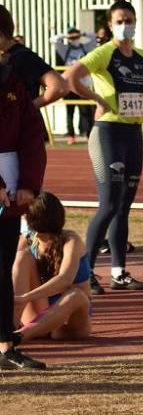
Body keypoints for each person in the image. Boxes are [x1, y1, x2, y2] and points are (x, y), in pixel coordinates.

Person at [65, 0, 143, 295]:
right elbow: (71, 77)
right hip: (108, 133)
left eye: (129, 19)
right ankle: (86, 273)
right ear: (109, 25)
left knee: (124, 207)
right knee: (107, 205)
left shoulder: (142, 56)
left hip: (133, 133)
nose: (125, 24)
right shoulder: (105, 52)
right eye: (120, 20)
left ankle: (119, 272)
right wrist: (98, 99)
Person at [0, 57, 46, 370]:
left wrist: (28, 184)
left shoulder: (11, 80)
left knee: (2, 268)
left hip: (11, 196)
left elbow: (32, 134)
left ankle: (5, 345)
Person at [13, 192, 91, 343]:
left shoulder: (71, 240)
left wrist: (25, 298)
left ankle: (18, 336)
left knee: (76, 295)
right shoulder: (28, 241)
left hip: (69, 325)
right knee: (22, 257)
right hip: (38, 315)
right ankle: (10, 327)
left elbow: (65, 280)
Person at [0, 5, 69, 116]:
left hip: (22, 130)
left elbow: (59, 87)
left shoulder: (22, 57)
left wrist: (26, 109)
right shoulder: (6, 56)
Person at [51, 28, 97, 145]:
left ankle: (89, 134)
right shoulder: (65, 49)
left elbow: (93, 38)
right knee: (70, 111)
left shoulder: (85, 48)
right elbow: (53, 40)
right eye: (72, 37)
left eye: (76, 37)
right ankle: (71, 135)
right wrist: (66, 36)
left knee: (86, 111)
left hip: (84, 85)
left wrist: (81, 34)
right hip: (68, 86)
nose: (74, 39)